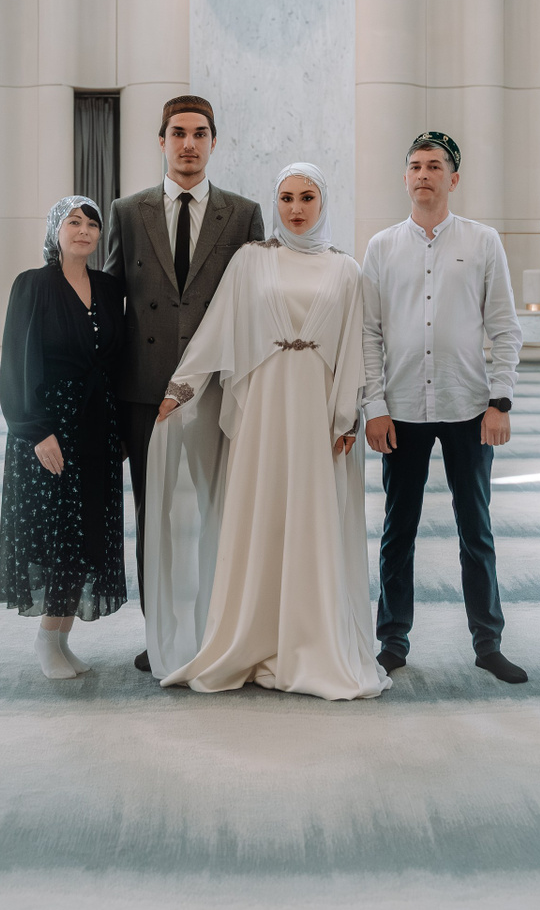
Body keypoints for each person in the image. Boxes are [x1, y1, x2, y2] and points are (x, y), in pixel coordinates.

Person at [143, 164, 388, 700]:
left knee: (311, 517)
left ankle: (309, 643)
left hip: (317, 415)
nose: (296, 209)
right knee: (260, 515)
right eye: (286, 198)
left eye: (307, 197)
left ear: (323, 202)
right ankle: (249, 637)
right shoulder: (251, 260)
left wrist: (347, 416)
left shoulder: (346, 270)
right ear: (274, 203)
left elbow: (355, 347)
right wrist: (182, 387)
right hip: (262, 414)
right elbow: (216, 328)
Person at [101, 95, 264, 673]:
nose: (188, 144)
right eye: (178, 133)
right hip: (144, 392)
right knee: (155, 518)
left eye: (199, 134)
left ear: (214, 142)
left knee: (224, 512)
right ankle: (161, 636)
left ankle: (219, 632)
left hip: (217, 387)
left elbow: (254, 308)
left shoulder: (243, 214)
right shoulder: (127, 211)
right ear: (162, 140)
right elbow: (112, 304)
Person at [362, 131, 528, 685]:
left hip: (468, 407)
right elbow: (367, 334)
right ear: (404, 177)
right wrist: (374, 406)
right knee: (397, 532)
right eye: (415, 166)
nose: (423, 174)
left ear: (453, 179)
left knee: (475, 529)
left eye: (434, 166)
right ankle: (392, 642)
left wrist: (500, 401)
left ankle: (488, 643)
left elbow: (505, 327)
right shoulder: (382, 247)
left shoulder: (482, 241)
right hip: (402, 409)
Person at [0, 196, 127, 679]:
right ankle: (46, 638)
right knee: (58, 539)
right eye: (74, 222)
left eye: (92, 223)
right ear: (56, 230)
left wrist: (120, 430)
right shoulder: (33, 285)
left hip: (97, 428)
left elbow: (117, 361)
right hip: (50, 429)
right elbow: (17, 361)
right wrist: (36, 431)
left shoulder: (109, 288)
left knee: (87, 536)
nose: (84, 230)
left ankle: (60, 638)